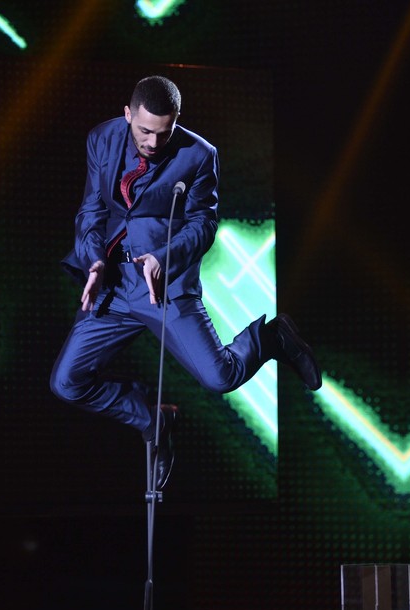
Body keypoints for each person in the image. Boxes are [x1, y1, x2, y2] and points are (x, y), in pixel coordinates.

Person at [50, 75, 320, 490]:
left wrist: (163, 258)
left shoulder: (198, 154)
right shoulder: (101, 138)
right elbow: (91, 210)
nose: (154, 143)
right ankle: (153, 420)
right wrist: (94, 262)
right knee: (67, 383)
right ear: (128, 114)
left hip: (164, 287)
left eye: (165, 132)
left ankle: (271, 338)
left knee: (221, 378)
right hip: (113, 286)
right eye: (145, 131)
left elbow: (204, 224)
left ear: (176, 121)